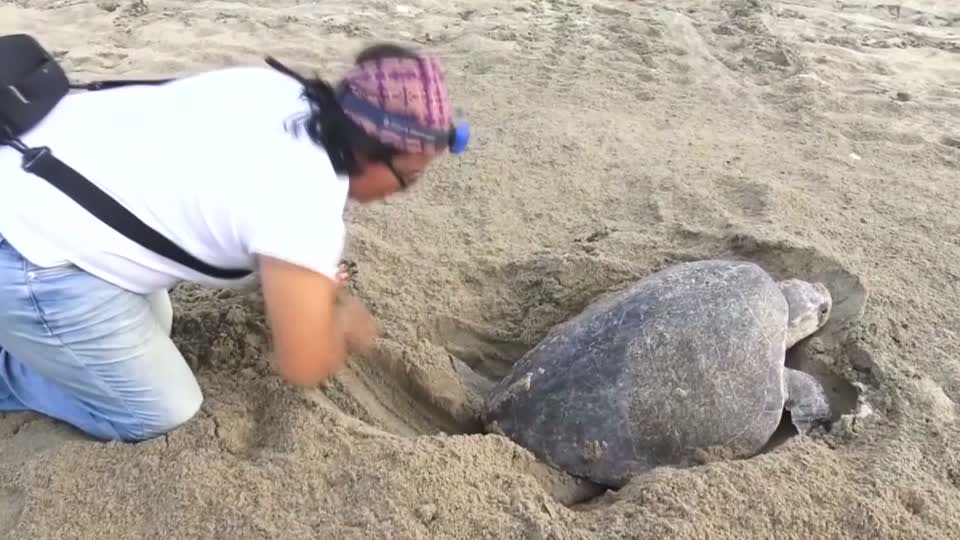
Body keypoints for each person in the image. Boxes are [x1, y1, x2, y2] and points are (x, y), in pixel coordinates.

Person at [0, 42, 467, 442]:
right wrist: (340, 319)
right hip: (28, 252)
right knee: (164, 412)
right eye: (407, 179)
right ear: (369, 153)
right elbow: (304, 363)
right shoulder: (303, 200)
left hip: (35, 186)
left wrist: (310, 284)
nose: (403, 193)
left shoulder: (285, 94)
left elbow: (239, 208)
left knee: (155, 325)